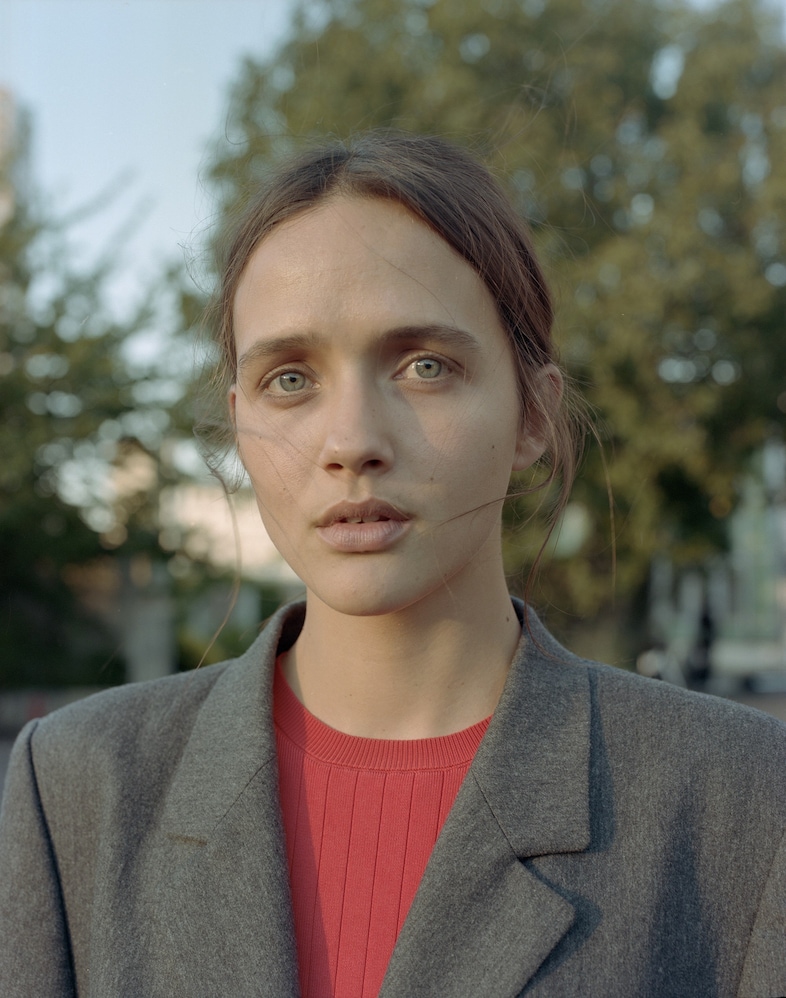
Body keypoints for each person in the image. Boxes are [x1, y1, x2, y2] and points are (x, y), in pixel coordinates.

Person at [0, 132, 784, 998]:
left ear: (532, 414)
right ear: (239, 423)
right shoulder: (75, 789)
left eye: (424, 366)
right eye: (289, 379)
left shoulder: (745, 800)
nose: (352, 442)